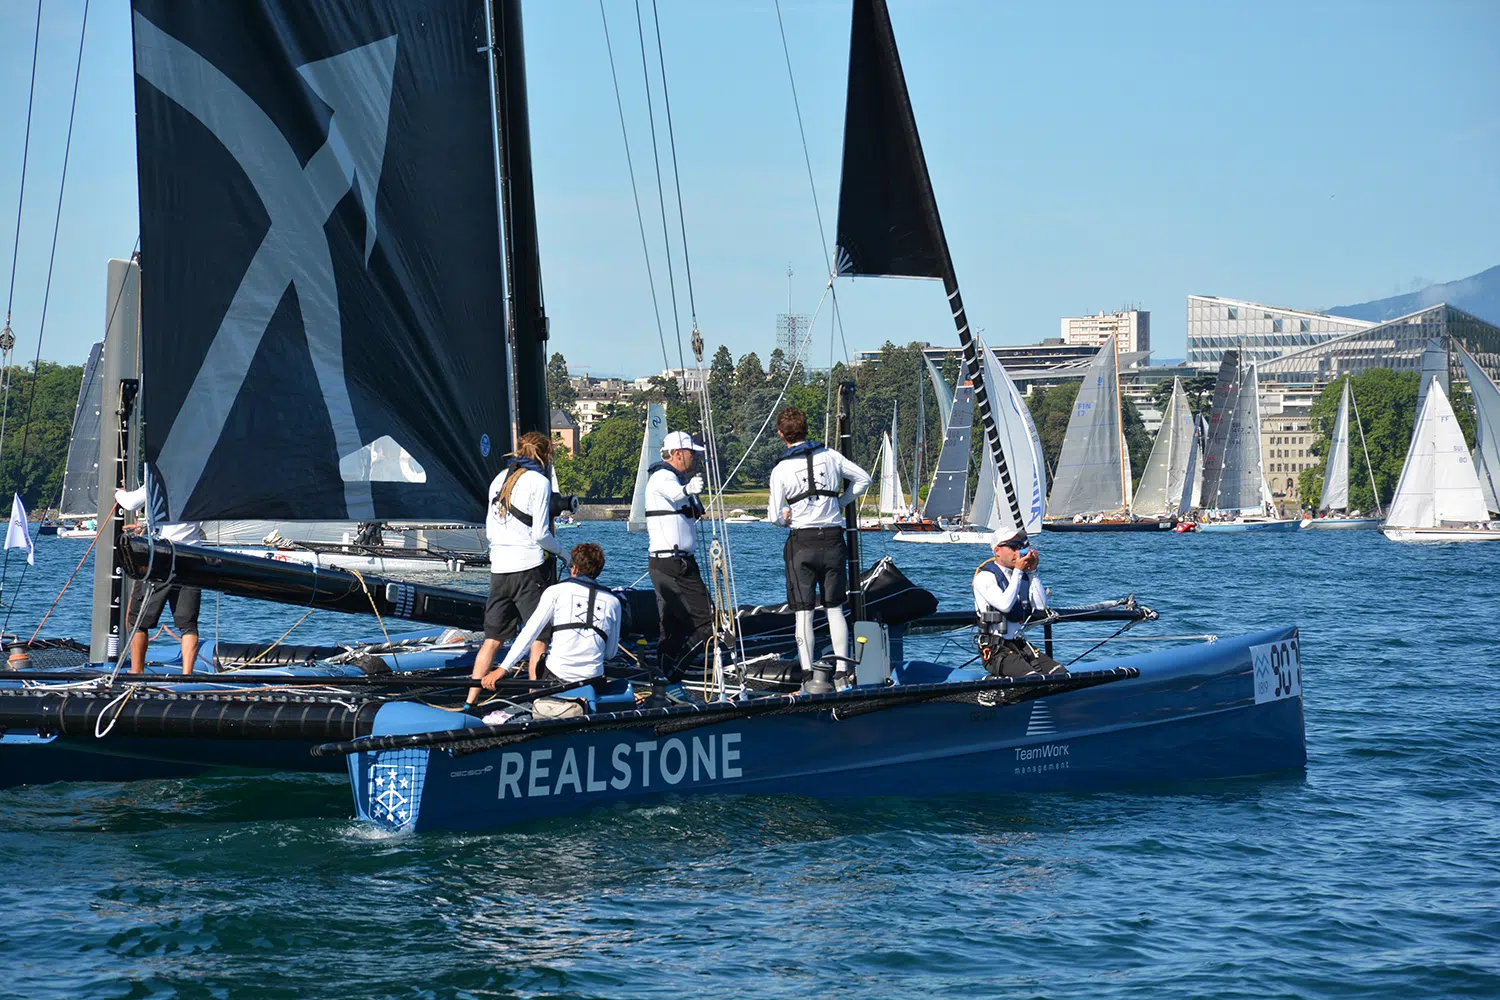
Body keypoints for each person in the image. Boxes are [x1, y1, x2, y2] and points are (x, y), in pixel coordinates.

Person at [766, 406, 871, 688]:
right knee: (834, 607)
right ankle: (841, 671)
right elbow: (864, 479)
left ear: (781, 434)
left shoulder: (780, 469)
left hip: (802, 542)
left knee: (804, 610)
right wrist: (841, 501)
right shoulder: (831, 456)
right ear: (806, 428)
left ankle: (808, 673)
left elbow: (774, 516)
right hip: (833, 539)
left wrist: (787, 519)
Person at [466, 431, 564, 712]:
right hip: (528, 568)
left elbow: (489, 530)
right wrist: (564, 553)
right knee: (539, 635)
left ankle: (469, 701)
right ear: (546, 455)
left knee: (493, 638)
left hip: (500, 569)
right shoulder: (539, 481)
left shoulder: (499, 478)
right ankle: (535, 699)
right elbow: (541, 534)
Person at [479, 542, 621, 689]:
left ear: (574, 569)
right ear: (599, 570)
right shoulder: (613, 602)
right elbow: (610, 653)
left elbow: (529, 633)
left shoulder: (555, 592)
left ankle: (536, 703)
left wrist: (503, 668)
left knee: (541, 659)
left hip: (557, 678)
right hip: (593, 681)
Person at [644, 429, 714, 676]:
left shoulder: (675, 479)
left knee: (672, 626)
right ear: (676, 453)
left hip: (674, 562)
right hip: (674, 564)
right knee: (708, 622)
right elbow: (675, 495)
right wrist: (689, 490)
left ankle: (665, 675)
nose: (694, 458)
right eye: (691, 453)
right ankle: (677, 670)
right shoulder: (662, 477)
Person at [114, 483, 203, 675]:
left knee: (137, 620)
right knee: (188, 624)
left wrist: (118, 493)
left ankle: (137, 671)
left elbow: (130, 503)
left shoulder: (160, 478)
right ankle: (187, 675)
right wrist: (146, 526)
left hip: (162, 555)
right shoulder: (199, 483)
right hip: (193, 556)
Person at [972, 527, 1064, 677]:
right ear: (997, 551)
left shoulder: (1021, 576)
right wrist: (1019, 571)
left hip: (1019, 644)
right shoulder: (985, 577)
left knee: (1059, 674)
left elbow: (1041, 605)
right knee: (1030, 679)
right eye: (1013, 546)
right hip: (996, 650)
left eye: (1020, 545)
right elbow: (1005, 606)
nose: (1018, 550)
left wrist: (1033, 571)